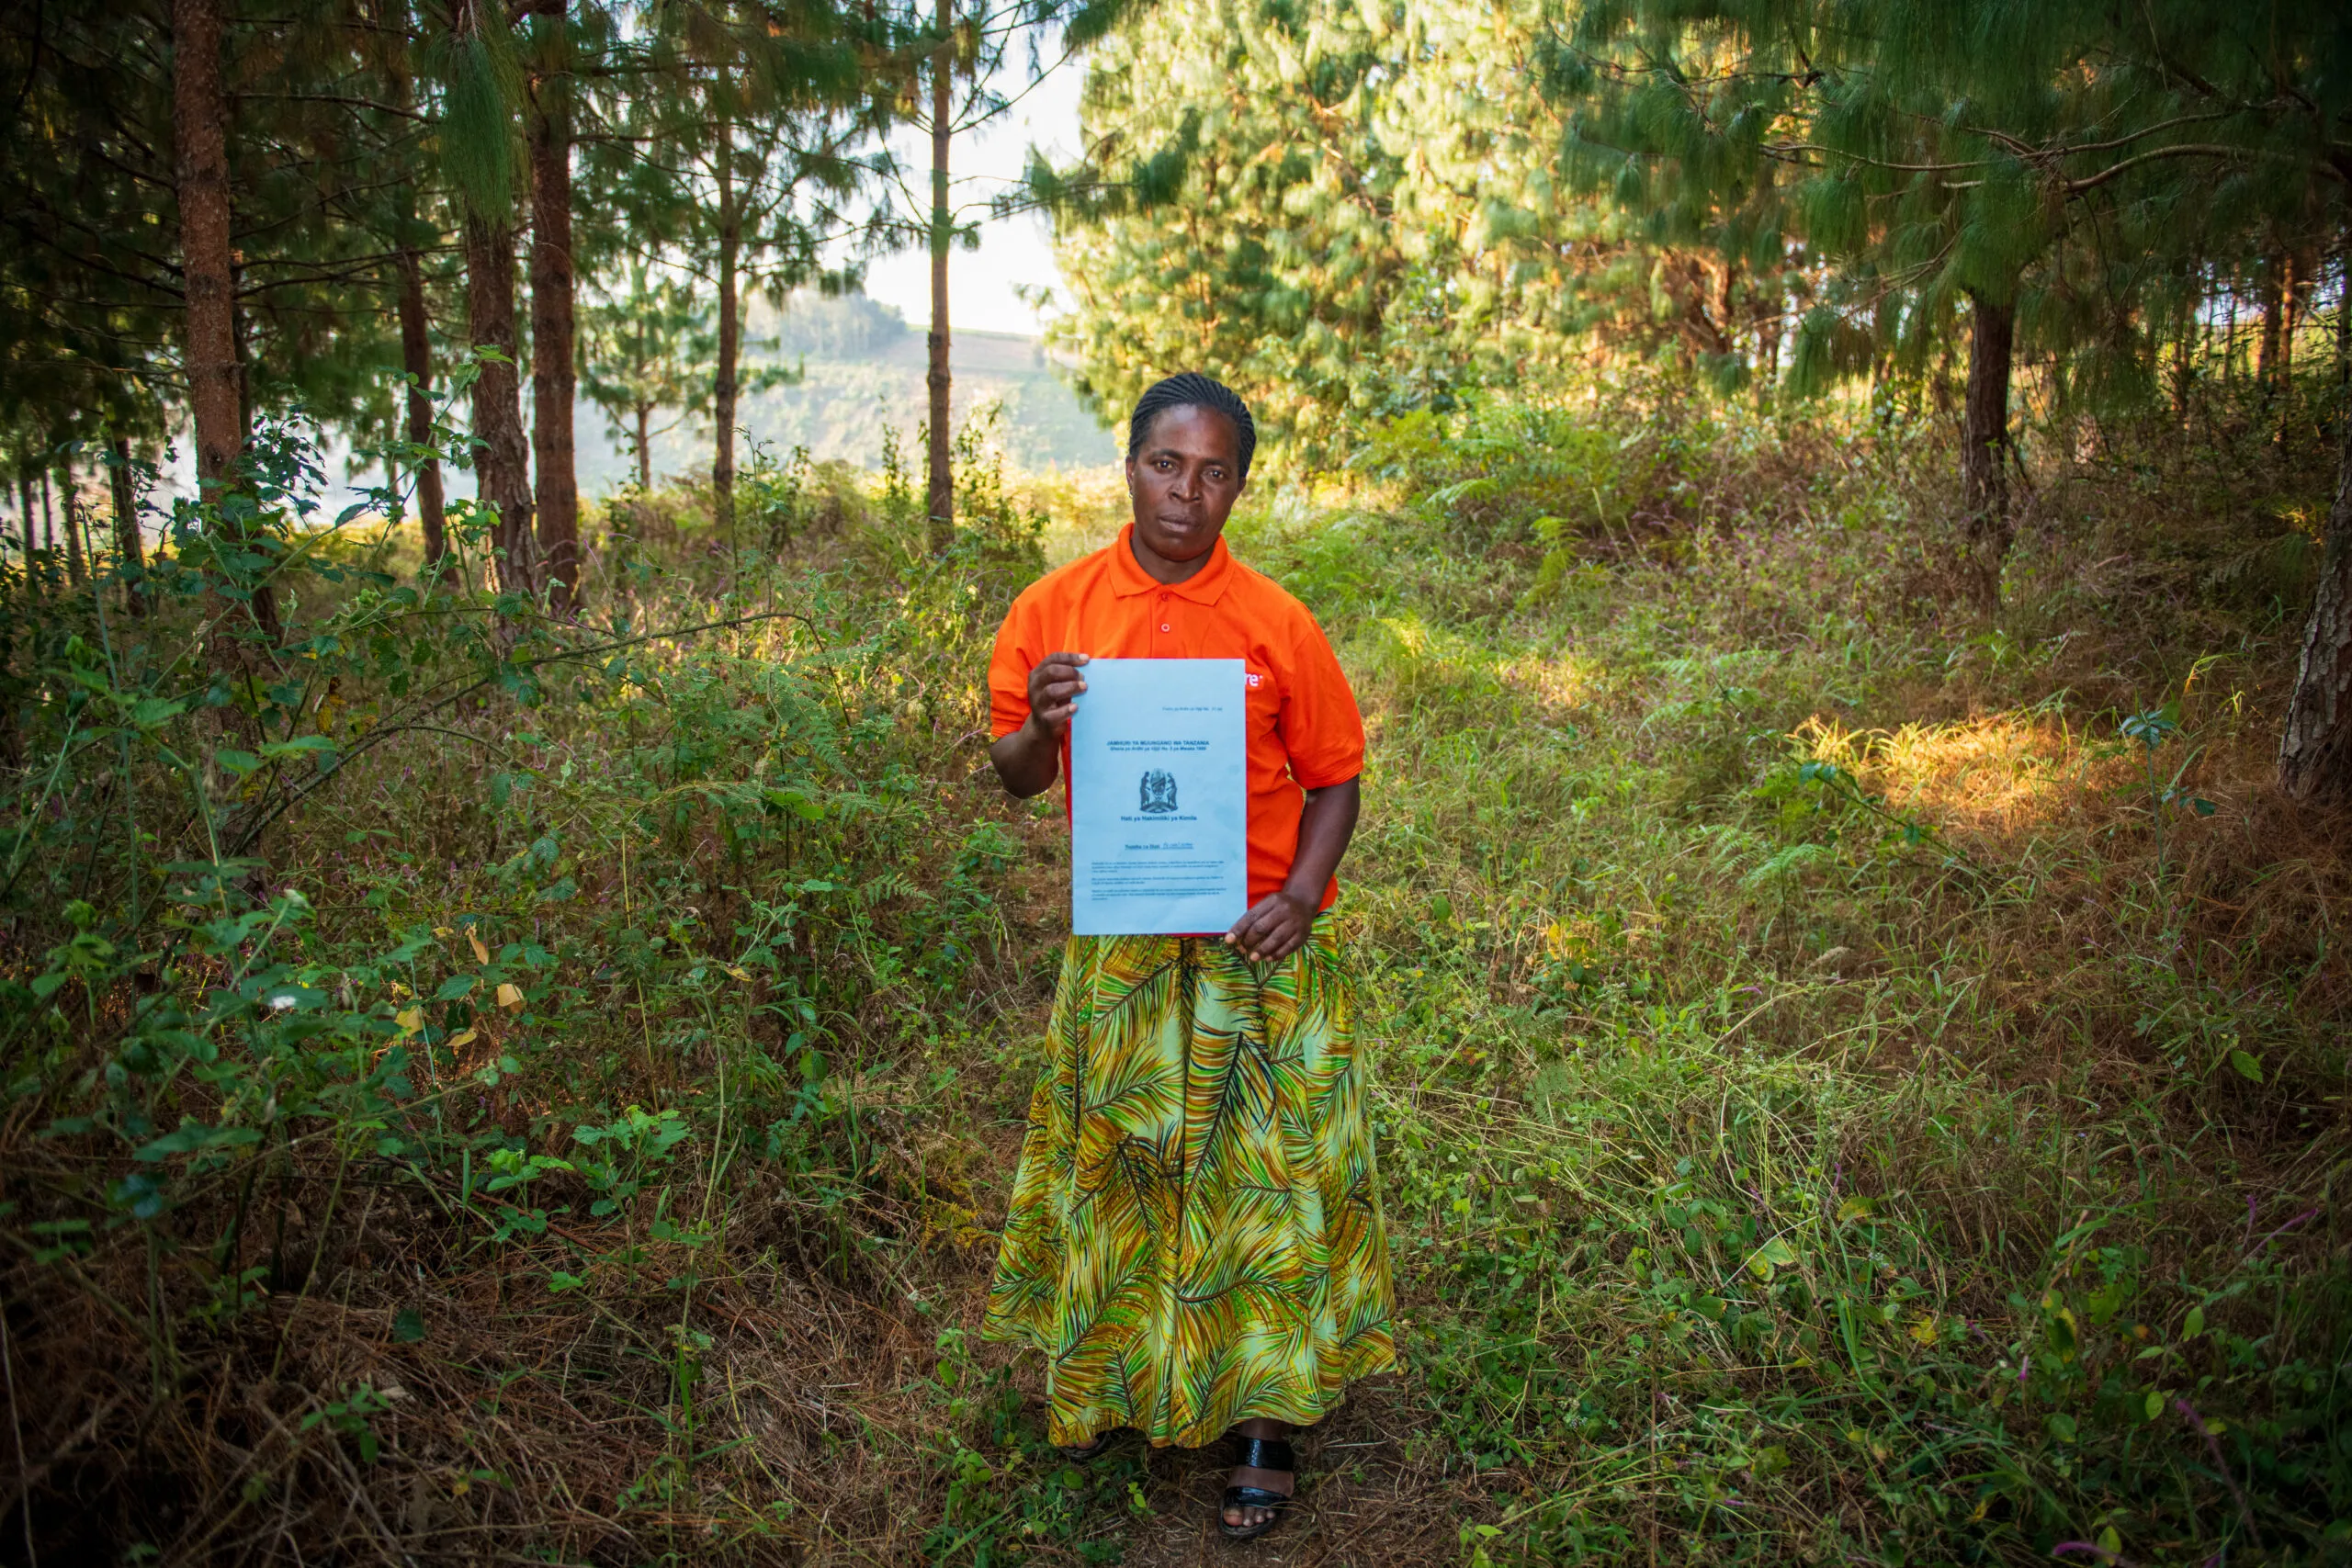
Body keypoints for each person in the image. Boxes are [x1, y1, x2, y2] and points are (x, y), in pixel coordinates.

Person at [979, 372, 1397, 1540]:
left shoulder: (1275, 620)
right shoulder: (1055, 609)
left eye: (1215, 472)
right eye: (1168, 464)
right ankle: (1118, 1382)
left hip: (1252, 948)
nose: (1187, 492)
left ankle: (1264, 1427)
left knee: (1257, 1187)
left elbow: (1335, 773)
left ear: (1238, 488)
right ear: (1128, 466)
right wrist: (1040, 726)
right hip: (1122, 945)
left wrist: (1303, 896)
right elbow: (1012, 779)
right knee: (1122, 1167)